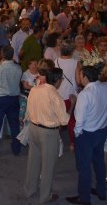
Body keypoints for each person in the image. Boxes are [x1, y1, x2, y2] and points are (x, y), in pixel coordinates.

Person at [65, 64, 107, 205]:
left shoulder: (85, 94)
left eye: (80, 75)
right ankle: (101, 191)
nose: (79, 78)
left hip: (86, 134)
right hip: (102, 131)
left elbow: (79, 121)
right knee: (99, 162)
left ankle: (84, 198)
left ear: (85, 77)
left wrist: (76, 134)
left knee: (84, 167)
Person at [24, 61, 70, 204]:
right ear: (57, 81)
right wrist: (72, 107)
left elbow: (28, 111)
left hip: (33, 128)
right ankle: (45, 196)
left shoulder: (35, 89)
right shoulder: (55, 95)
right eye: (61, 79)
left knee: (33, 162)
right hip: (48, 133)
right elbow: (64, 120)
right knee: (48, 166)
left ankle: (29, 189)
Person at [0, 45, 22, 157]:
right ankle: (16, 148)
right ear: (12, 55)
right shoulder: (18, 67)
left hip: (0, 99)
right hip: (13, 98)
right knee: (14, 125)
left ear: (2, 55)